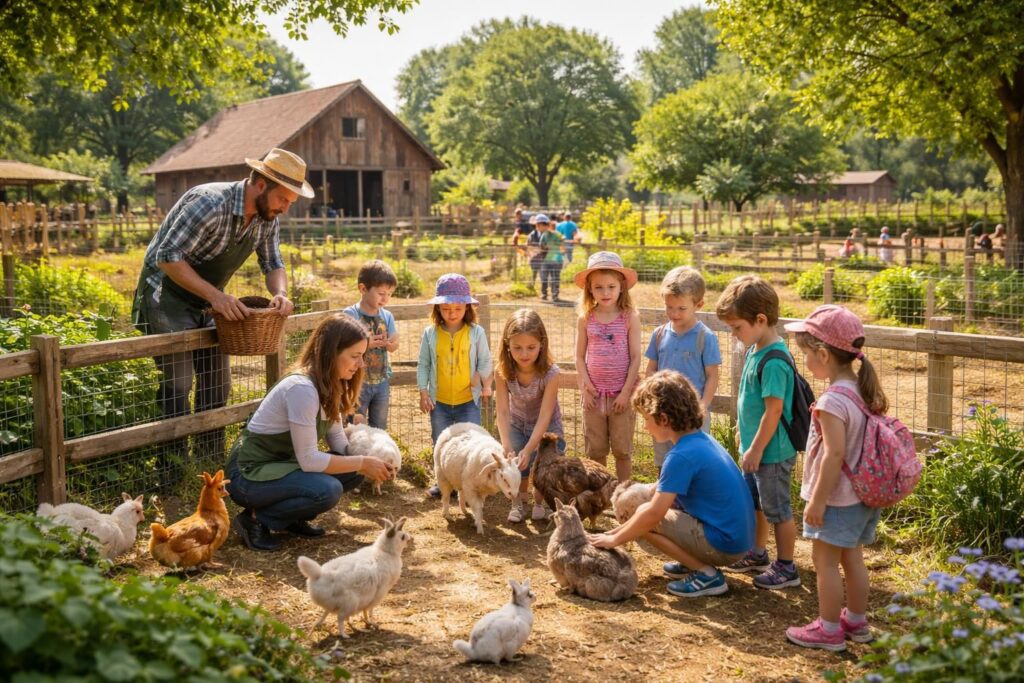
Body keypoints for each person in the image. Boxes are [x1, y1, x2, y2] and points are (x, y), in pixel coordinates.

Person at [132, 148, 309, 489]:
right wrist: (215, 296)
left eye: (291, 201)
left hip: (210, 299)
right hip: (166, 296)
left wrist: (282, 294)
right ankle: (172, 469)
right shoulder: (208, 203)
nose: (286, 207)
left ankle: (210, 464)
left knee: (218, 383)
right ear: (260, 183)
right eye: (284, 198)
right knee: (179, 383)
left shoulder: (266, 219)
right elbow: (168, 258)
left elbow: (273, 264)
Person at [225, 314, 394, 552]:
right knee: (328, 489)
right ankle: (254, 519)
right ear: (331, 352)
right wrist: (362, 461)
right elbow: (309, 459)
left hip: (284, 466)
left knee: (354, 470)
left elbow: (336, 438)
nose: (361, 364)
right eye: (355, 356)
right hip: (249, 474)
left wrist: (370, 457)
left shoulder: (332, 382)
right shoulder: (302, 389)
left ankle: (290, 518)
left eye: (362, 356)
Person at [588, 370, 755, 598]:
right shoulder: (701, 440)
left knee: (640, 514)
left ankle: (705, 573)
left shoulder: (680, 457)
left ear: (664, 418)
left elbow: (653, 513)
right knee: (644, 511)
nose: (646, 427)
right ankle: (693, 560)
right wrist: (613, 532)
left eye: (647, 419)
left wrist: (614, 539)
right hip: (738, 540)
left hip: (724, 546)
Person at [782, 305, 887, 651]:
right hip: (860, 498)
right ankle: (856, 622)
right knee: (853, 558)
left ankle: (828, 630)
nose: (806, 363)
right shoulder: (862, 390)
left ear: (824, 354)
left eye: (807, 355)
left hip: (836, 499)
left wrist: (816, 500)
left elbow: (834, 454)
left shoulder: (831, 402)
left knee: (824, 562)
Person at [716, 275, 801, 590]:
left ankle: (787, 566)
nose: (736, 334)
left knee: (778, 509)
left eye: (738, 327)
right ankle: (757, 552)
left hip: (771, 453)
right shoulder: (756, 348)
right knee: (756, 503)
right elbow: (750, 401)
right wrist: (742, 429)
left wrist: (756, 449)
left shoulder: (775, 360)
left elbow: (774, 410)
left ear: (761, 320)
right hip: (755, 447)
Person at [418, 273, 493, 497]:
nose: (452, 314)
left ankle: (469, 484)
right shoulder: (430, 334)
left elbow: (486, 361)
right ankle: (442, 483)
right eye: (446, 309)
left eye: (458, 309)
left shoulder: (476, 333)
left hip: (468, 400)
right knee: (440, 442)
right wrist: (423, 391)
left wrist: (480, 377)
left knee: (470, 442)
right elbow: (423, 364)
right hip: (438, 400)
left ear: (467, 309)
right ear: (438, 309)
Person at [574, 251, 642, 482]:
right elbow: (579, 357)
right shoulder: (586, 317)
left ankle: (623, 491)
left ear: (621, 287)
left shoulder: (629, 317)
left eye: (611, 287)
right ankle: (601, 491)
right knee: (596, 449)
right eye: (599, 287)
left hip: (621, 396)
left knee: (622, 450)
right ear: (589, 289)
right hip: (593, 396)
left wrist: (626, 393)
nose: (605, 293)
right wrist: (585, 386)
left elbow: (635, 357)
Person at [645, 266, 721, 468]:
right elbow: (651, 369)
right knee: (664, 460)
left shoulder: (706, 337)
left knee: (693, 461)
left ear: (698, 304)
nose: (674, 313)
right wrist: (650, 400)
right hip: (663, 411)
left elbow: (712, 375)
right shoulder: (659, 334)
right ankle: (666, 498)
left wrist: (702, 406)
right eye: (669, 307)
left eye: (681, 308)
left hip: (693, 414)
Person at [495, 309, 564, 523]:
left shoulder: (551, 374)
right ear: (508, 346)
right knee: (516, 462)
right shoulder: (502, 372)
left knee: (543, 466)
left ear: (541, 344)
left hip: (547, 428)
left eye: (531, 348)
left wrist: (531, 447)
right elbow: (503, 410)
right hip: (516, 424)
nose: (524, 354)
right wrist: (506, 443)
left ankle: (540, 503)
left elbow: (545, 414)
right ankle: (518, 502)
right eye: (517, 348)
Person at [343, 260, 398, 429]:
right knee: (355, 425)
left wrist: (390, 344)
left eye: (389, 294)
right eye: (381, 293)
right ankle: (355, 455)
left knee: (380, 425)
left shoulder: (387, 316)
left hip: (381, 380)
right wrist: (366, 344)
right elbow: (344, 345)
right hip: (357, 381)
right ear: (363, 289)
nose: (385, 298)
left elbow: (395, 343)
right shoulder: (350, 314)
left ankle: (376, 454)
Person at [537, 214, 564, 302]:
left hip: (555, 260)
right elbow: (542, 246)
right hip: (548, 260)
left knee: (554, 278)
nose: (537, 227)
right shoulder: (545, 235)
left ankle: (553, 295)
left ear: (544, 225)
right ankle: (546, 294)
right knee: (546, 278)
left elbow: (562, 245)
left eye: (538, 225)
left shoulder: (555, 234)